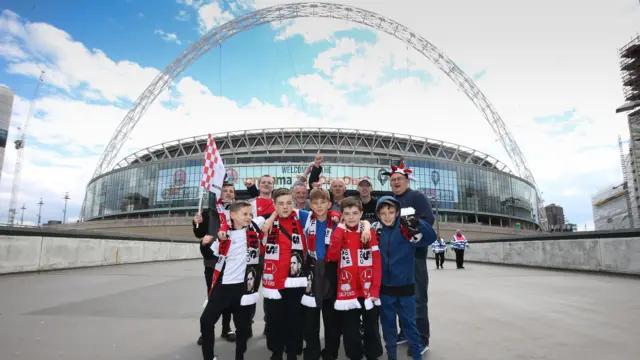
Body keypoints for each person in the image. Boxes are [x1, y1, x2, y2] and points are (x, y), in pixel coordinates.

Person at [199, 200, 266, 360]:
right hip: (222, 288)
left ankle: (239, 356)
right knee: (206, 322)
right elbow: (210, 255)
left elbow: (269, 213)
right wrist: (203, 245)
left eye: (251, 214)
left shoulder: (255, 230)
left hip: (243, 289)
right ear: (233, 215)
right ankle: (209, 356)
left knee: (242, 328)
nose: (249, 217)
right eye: (245, 214)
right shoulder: (224, 236)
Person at [372, 196, 436, 360]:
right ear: (378, 214)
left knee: (410, 326)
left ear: (397, 212)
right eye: (383, 213)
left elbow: (431, 237)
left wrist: (416, 222)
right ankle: (391, 356)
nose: (387, 216)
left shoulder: (406, 230)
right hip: (385, 290)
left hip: (406, 289)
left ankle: (417, 356)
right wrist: (366, 226)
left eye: (391, 212)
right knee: (388, 327)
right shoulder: (376, 232)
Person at [383, 161, 434, 352]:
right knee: (399, 299)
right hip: (397, 260)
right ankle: (405, 331)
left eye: (399, 179)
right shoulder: (390, 201)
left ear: (406, 180)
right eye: (393, 180)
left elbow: (428, 222)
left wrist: (408, 226)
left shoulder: (417, 196)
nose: (396, 182)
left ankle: (422, 339)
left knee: (418, 299)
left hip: (415, 258)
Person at [326, 197, 383, 360]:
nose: (351, 217)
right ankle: (354, 356)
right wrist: (338, 231)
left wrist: (375, 289)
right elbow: (332, 256)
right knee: (350, 332)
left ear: (361, 214)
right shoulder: (339, 232)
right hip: (347, 293)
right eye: (347, 214)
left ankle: (373, 354)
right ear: (342, 215)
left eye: (355, 213)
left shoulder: (369, 232)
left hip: (368, 292)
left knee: (371, 328)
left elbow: (376, 263)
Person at [260, 188, 311, 360]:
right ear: (274, 205)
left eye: (289, 203)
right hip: (274, 281)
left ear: (294, 203)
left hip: (295, 280)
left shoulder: (302, 218)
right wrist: (273, 217)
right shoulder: (265, 221)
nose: (285, 207)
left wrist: (363, 224)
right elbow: (245, 223)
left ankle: (292, 351)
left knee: (294, 319)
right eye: (280, 204)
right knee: (274, 320)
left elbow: (325, 213)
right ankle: (276, 351)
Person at [299, 188, 343, 360]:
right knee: (310, 315)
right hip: (310, 268)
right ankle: (312, 351)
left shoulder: (337, 221)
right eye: (315, 203)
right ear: (310, 204)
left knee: (331, 315)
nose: (319, 206)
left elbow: (360, 222)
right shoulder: (305, 218)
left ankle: (331, 352)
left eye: (323, 202)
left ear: (329, 204)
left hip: (331, 268)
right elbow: (281, 209)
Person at [193, 183, 237, 346]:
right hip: (212, 261)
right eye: (225, 191)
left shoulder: (237, 213)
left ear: (234, 195)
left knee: (229, 299)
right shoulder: (209, 212)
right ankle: (205, 332)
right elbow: (199, 233)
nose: (227, 193)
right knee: (212, 297)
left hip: (232, 262)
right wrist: (196, 222)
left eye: (230, 191)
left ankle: (226, 328)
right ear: (220, 194)